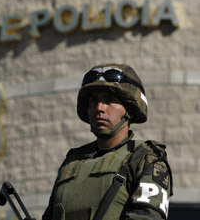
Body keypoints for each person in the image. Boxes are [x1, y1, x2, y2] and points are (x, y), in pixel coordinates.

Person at [42, 64, 172, 220]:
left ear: (130, 109)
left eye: (110, 100)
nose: (99, 108)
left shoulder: (145, 160)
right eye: (94, 100)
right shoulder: (71, 163)